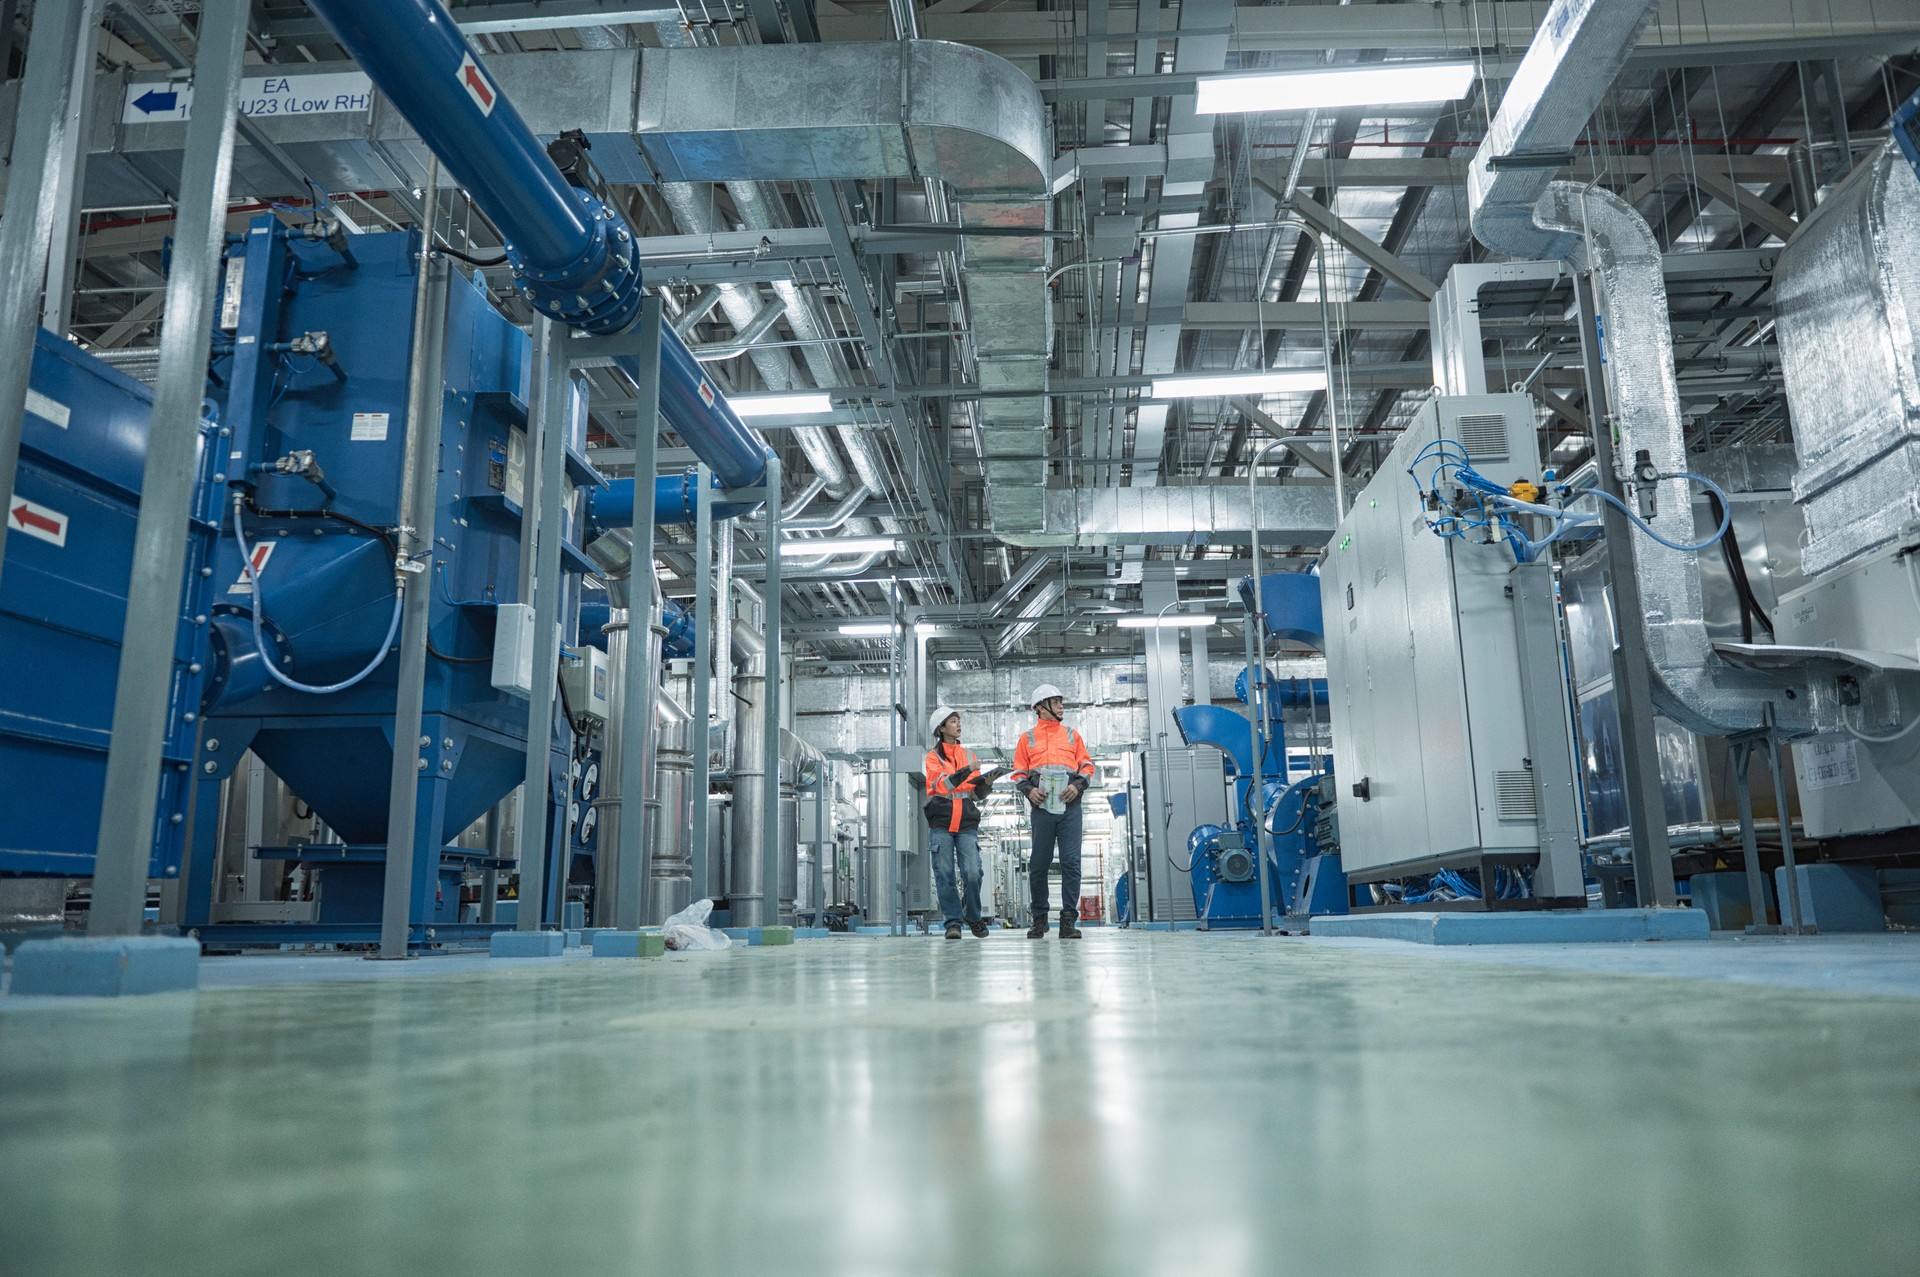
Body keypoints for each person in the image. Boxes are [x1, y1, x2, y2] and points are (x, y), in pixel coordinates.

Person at [1009, 684, 1096, 940]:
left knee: (1071, 863)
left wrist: (1077, 785)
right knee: (1038, 865)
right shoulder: (1027, 739)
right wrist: (1028, 791)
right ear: (1040, 707)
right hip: (1042, 808)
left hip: (1071, 807)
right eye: (1055, 701)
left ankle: (1068, 921)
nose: (1061, 706)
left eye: (1061, 701)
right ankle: (1039, 919)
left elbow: (1087, 765)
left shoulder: (1072, 735)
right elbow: (1018, 772)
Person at [923, 705, 993, 941]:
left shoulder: (970, 756)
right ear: (941, 728)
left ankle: (972, 916)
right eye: (953, 721)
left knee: (973, 872)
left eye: (958, 720)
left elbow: (974, 793)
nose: (958, 724)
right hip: (941, 822)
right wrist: (967, 772)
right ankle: (953, 922)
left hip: (966, 822)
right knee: (944, 874)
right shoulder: (933, 758)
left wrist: (987, 783)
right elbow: (942, 785)